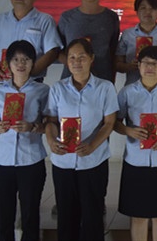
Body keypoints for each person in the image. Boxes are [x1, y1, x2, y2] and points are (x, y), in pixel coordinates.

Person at [0, 0, 61, 215]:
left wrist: (29, 72)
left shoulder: (44, 20)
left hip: (33, 88)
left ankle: (28, 192)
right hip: (1, 88)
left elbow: (53, 50)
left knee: (30, 133)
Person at [45, 38, 118, 240]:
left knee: (93, 214)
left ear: (92, 59)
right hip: (63, 161)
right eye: (72, 57)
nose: (76, 62)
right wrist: (51, 140)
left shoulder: (105, 88)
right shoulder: (58, 88)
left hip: (93, 161)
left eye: (81, 57)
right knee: (66, 216)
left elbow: (109, 123)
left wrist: (92, 145)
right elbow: (50, 121)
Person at [114, 46, 157, 241]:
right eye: (145, 63)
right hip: (135, 159)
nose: (150, 67)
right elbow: (115, 123)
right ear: (138, 65)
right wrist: (129, 131)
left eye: (155, 63)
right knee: (138, 216)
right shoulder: (127, 92)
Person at [0, 40, 48, 241]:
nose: (21, 64)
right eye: (16, 60)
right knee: (4, 215)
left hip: (31, 159)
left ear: (33, 63)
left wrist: (32, 127)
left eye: (26, 59)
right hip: (2, 160)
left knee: (30, 213)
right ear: (8, 63)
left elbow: (49, 124)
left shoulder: (42, 90)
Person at [57, 0, 120, 82]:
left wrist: (111, 80)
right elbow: (57, 50)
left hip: (102, 80)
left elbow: (113, 51)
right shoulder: (67, 17)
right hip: (71, 82)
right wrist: (76, 67)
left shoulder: (111, 17)